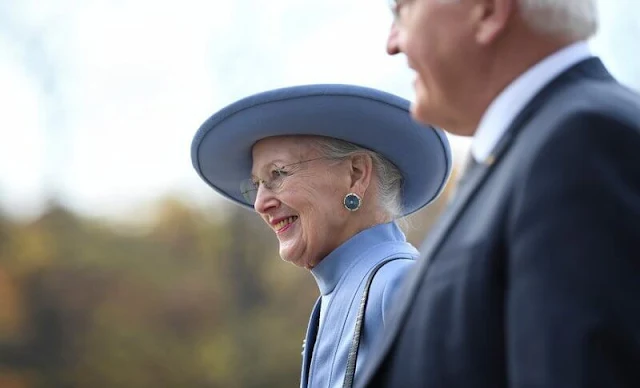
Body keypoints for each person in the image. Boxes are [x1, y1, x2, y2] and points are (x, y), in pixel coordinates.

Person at [357, 0, 640, 387]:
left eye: (402, 9)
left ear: (488, 11)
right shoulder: (538, 148)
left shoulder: (580, 143)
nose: (392, 42)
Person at [190, 84, 451, 388]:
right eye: (257, 184)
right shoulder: (341, 294)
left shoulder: (399, 285)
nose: (260, 203)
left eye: (277, 174)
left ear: (355, 173)